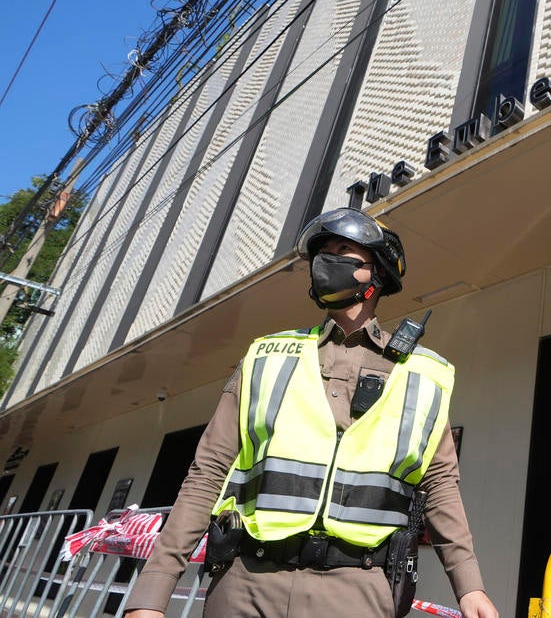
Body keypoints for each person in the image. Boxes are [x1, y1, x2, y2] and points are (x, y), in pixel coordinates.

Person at [126, 208, 499, 618]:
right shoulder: (268, 355)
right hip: (245, 581)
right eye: (322, 254)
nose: (326, 262)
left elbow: (440, 485)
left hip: (357, 590)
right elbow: (208, 472)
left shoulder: (423, 373)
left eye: (343, 250)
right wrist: (152, 593)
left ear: (376, 274)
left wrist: (469, 586)